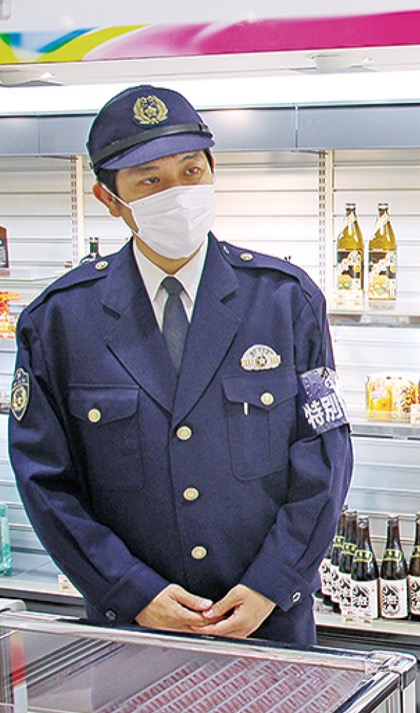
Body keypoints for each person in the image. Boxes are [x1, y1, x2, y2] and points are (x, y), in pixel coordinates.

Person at [8, 85, 353, 646]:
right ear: (109, 199)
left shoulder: (283, 300)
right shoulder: (60, 321)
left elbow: (326, 455)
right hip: (132, 631)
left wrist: (273, 581)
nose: (177, 193)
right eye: (149, 181)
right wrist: (129, 590)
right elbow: (45, 480)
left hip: (269, 624)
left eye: (191, 171)